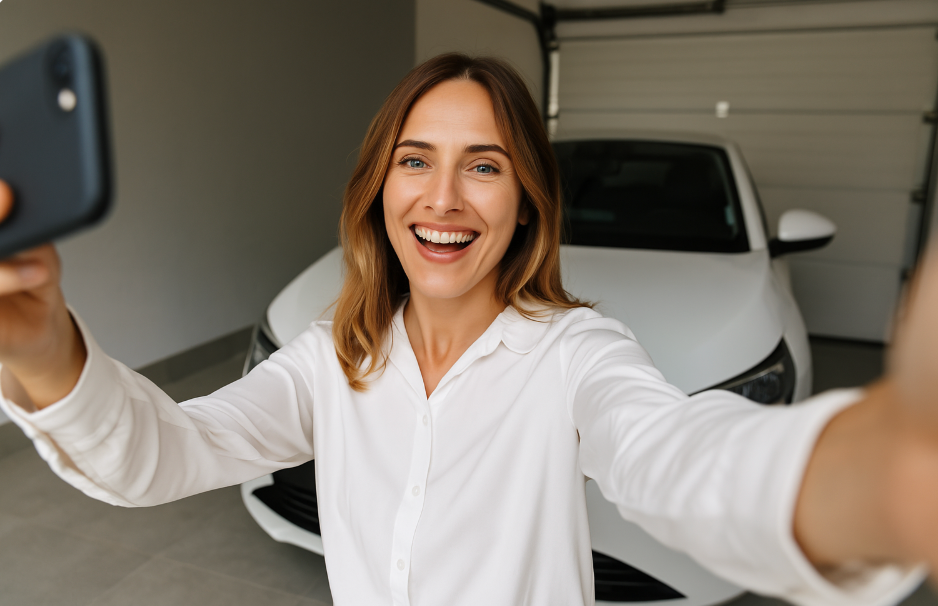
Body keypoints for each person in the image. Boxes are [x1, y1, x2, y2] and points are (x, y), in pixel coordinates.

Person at [0, 53, 936, 606]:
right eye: (416, 160)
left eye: (483, 166)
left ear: (527, 201)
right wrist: (41, 350)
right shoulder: (334, 354)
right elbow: (164, 455)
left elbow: (681, 461)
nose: (442, 198)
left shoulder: (576, 355)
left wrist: (889, 471)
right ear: (380, 187)